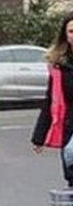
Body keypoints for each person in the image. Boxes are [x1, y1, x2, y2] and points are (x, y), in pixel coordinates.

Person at [32, 13, 73, 185]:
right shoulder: (60, 66)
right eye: (71, 31)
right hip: (69, 129)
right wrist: (39, 136)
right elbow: (51, 100)